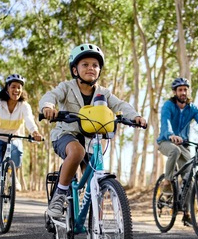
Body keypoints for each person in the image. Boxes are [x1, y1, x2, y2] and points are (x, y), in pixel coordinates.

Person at [39, 43, 147, 218]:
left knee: (95, 182)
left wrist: (135, 116)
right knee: (76, 152)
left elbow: (120, 105)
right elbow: (51, 96)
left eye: (95, 65)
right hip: (66, 135)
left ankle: (98, 228)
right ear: (75, 70)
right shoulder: (66, 87)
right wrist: (48, 106)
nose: (91, 68)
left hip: (91, 140)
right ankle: (59, 194)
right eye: (85, 64)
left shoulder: (103, 93)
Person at [156, 77, 198, 224]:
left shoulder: (192, 108)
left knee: (190, 179)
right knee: (174, 151)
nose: (183, 92)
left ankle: (186, 213)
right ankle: (167, 182)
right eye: (180, 90)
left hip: (183, 144)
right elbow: (165, 121)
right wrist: (171, 135)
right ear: (175, 92)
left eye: (185, 89)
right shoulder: (168, 105)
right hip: (166, 141)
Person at [0, 74, 42, 217]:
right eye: (13, 87)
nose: (16, 90)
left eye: (19, 87)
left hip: (14, 138)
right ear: (7, 89)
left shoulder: (24, 106)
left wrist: (35, 132)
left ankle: (12, 174)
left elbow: (29, 120)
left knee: (18, 152)